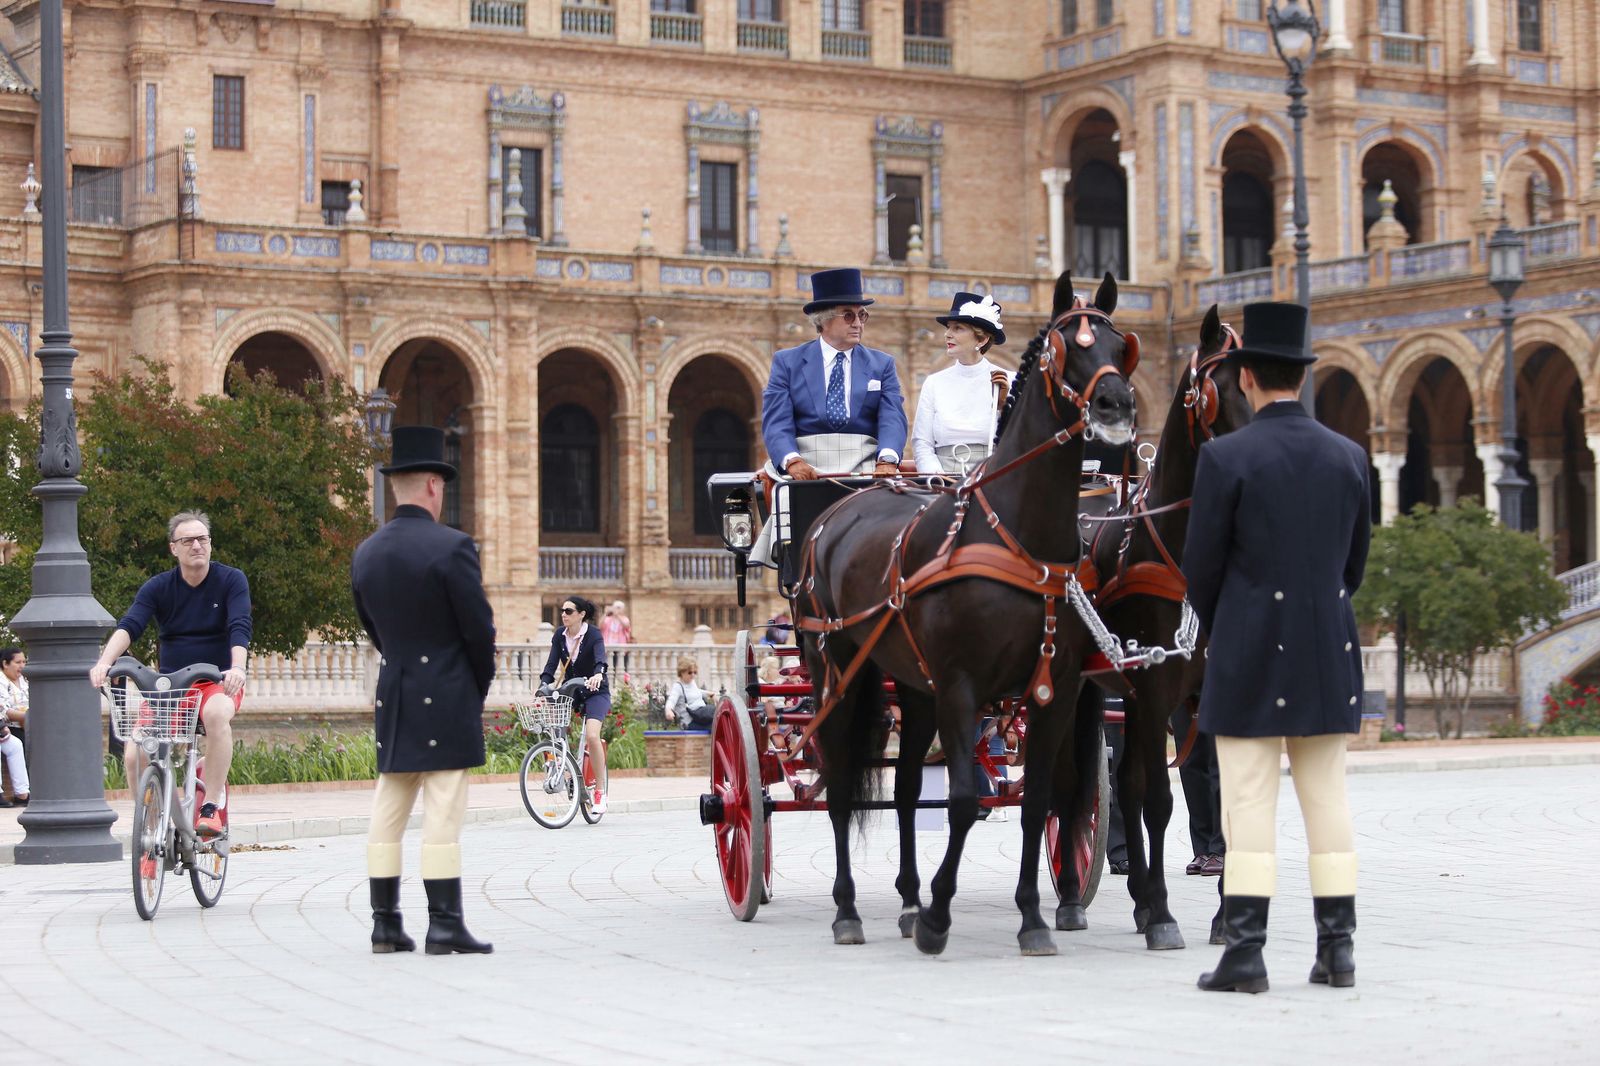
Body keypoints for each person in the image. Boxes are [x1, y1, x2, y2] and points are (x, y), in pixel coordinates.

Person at [1182, 302, 1370, 994]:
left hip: (1250, 647)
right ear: (1300, 375)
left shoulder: (1224, 456)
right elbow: (1354, 568)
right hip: (1327, 646)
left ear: (1248, 378)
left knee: (1248, 806)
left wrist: (1231, 622)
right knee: (1328, 803)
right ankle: (1337, 951)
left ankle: (1246, 955)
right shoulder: (1349, 456)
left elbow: (1199, 570)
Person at [351, 426, 498, 956]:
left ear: (397, 487)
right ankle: (444, 924)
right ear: (435, 486)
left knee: (387, 808)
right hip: (447, 688)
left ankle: (385, 924)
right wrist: (475, 684)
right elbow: (479, 630)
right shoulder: (452, 547)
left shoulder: (366, 552)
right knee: (442, 811)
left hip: (395, 688)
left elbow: (371, 627)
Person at [89, 511, 251, 838]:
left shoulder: (231, 580)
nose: (196, 545)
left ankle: (211, 805)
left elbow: (239, 626)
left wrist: (237, 667)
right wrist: (103, 662)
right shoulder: (159, 587)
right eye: (187, 540)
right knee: (135, 752)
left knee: (218, 713)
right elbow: (130, 625)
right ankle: (149, 832)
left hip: (216, 682)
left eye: (202, 539)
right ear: (173, 548)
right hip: (171, 688)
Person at [761, 267, 908, 481]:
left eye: (862, 315)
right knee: (783, 511)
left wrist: (887, 459)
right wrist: (791, 460)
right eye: (849, 316)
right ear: (823, 319)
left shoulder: (882, 364)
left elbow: (892, 418)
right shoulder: (787, 362)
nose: (858, 323)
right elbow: (776, 421)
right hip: (804, 466)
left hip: (866, 464)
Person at [911, 292, 1011, 476]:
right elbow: (922, 443)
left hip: (992, 480)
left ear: (982, 339)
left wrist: (1004, 408)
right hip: (942, 483)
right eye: (949, 328)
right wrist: (936, 480)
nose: (947, 334)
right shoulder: (934, 383)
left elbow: (1022, 441)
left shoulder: (1009, 380)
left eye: (958, 328)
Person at [541, 594, 612, 814]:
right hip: (570, 691)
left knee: (592, 736)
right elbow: (552, 664)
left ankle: (600, 791)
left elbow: (600, 658)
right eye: (562, 611)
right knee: (554, 730)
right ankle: (568, 772)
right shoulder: (559, 636)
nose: (564, 615)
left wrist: (598, 674)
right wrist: (543, 685)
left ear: (581, 615)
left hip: (594, 691)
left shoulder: (593, 635)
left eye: (569, 611)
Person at [0, 646, 29, 807]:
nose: (22, 666)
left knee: (16, 745)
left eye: (24, 662)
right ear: (5, 663)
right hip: (8, 725)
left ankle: (22, 794)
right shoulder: (1, 680)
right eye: (18, 662)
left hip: (18, 727)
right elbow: (3, 709)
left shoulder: (23, 680)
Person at [663, 655, 712, 731]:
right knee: (715, 727)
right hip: (690, 722)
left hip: (701, 717)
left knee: (720, 721)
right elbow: (671, 701)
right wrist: (668, 711)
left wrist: (709, 694)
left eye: (695, 672)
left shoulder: (692, 682)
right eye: (690, 672)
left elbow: (696, 692)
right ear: (682, 672)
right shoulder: (678, 687)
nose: (693, 675)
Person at [600, 600, 632, 670]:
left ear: (622, 609)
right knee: (610, 667)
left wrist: (617, 615)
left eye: (619, 607)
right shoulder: (608, 619)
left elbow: (626, 626)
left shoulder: (624, 619)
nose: (617, 609)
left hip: (621, 646)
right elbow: (600, 626)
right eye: (615, 607)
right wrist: (605, 613)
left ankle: (624, 680)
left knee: (623, 667)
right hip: (608, 647)